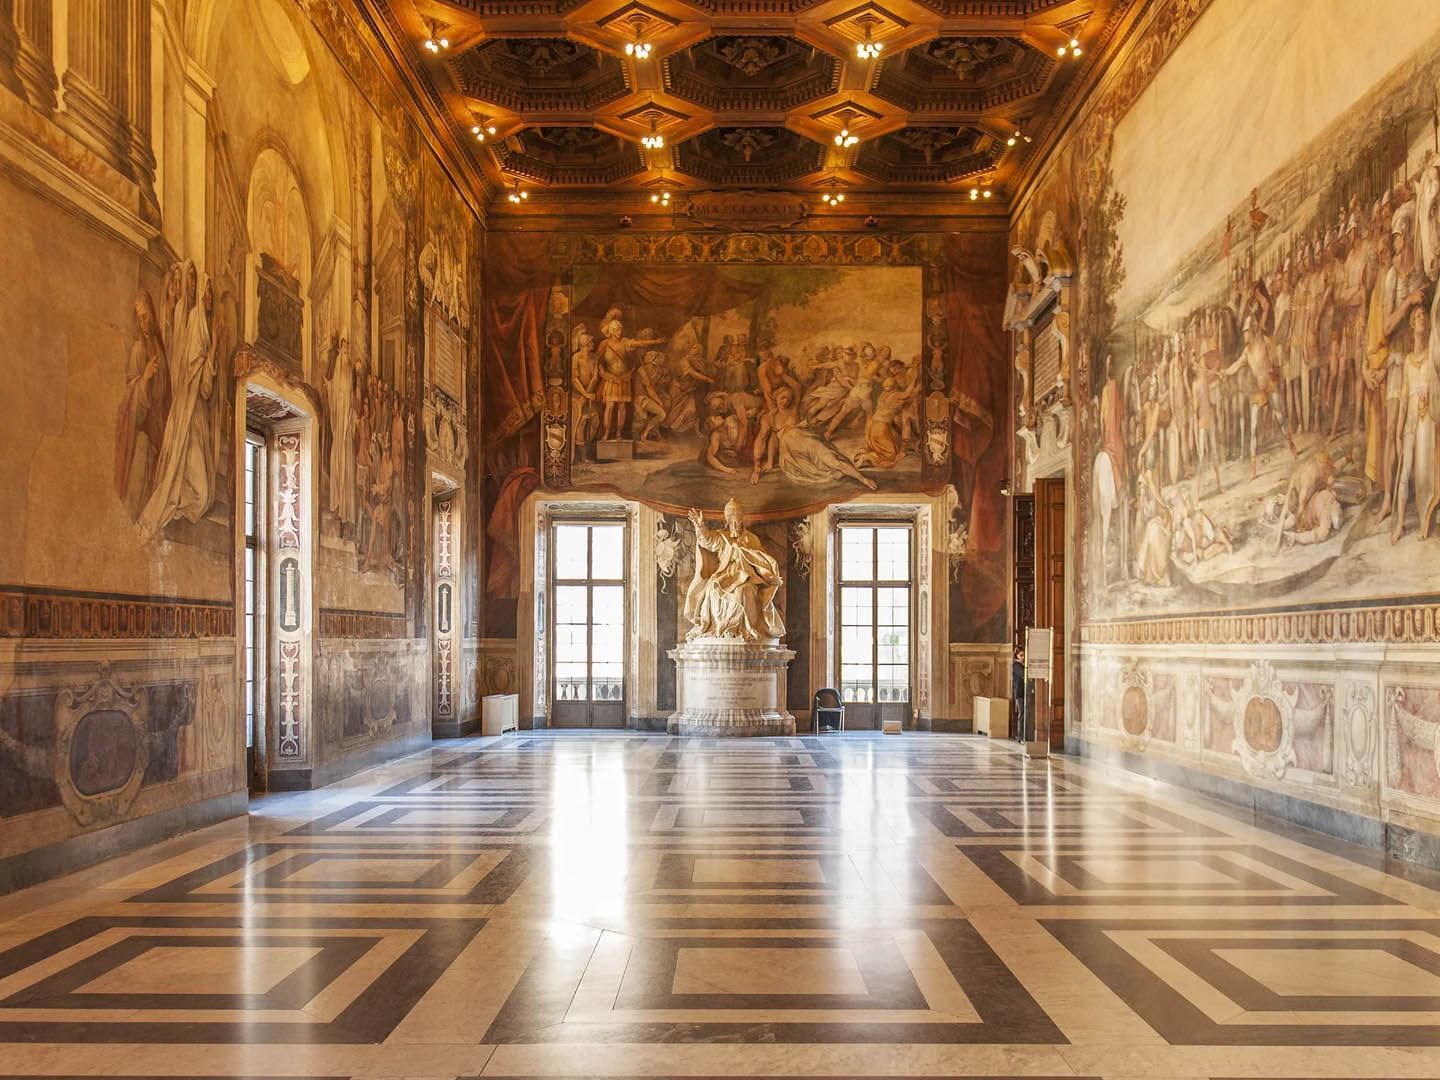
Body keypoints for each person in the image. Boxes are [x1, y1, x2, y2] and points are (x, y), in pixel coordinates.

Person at [683, 499, 785, 641]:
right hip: (725, 575)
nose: (734, 520)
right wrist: (700, 526)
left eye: (736, 515)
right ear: (726, 518)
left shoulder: (752, 539)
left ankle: (742, 628)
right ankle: (722, 627)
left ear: (742, 517)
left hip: (748, 577)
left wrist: (769, 578)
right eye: (730, 516)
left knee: (744, 590)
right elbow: (707, 540)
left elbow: (761, 562)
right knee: (713, 588)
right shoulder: (722, 537)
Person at [1392, 304, 1435, 543]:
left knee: (1423, 472)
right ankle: (1399, 524)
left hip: (1427, 420)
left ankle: (1425, 519)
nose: (1421, 319)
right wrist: (1397, 434)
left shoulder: (1432, 356)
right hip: (1409, 423)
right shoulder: (1408, 361)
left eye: (1424, 316)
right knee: (1405, 472)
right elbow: (1401, 401)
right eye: (1417, 316)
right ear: (1411, 324)